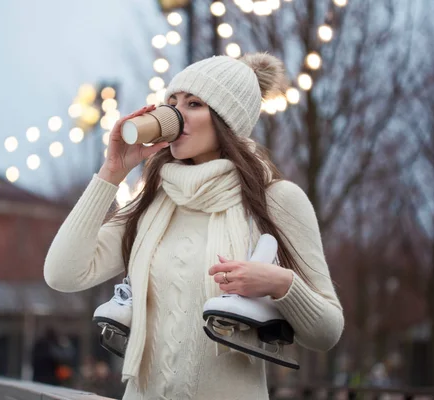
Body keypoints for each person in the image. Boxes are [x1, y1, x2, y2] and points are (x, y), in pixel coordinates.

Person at [44, 53, 344, 399]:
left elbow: (327, 331)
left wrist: (280, 283)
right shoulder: (154, 200)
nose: (174, 113)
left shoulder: (277, 200)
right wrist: (112, 171)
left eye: (193, 103)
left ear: (226, 119)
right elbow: (62, 273)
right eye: (171, 102)